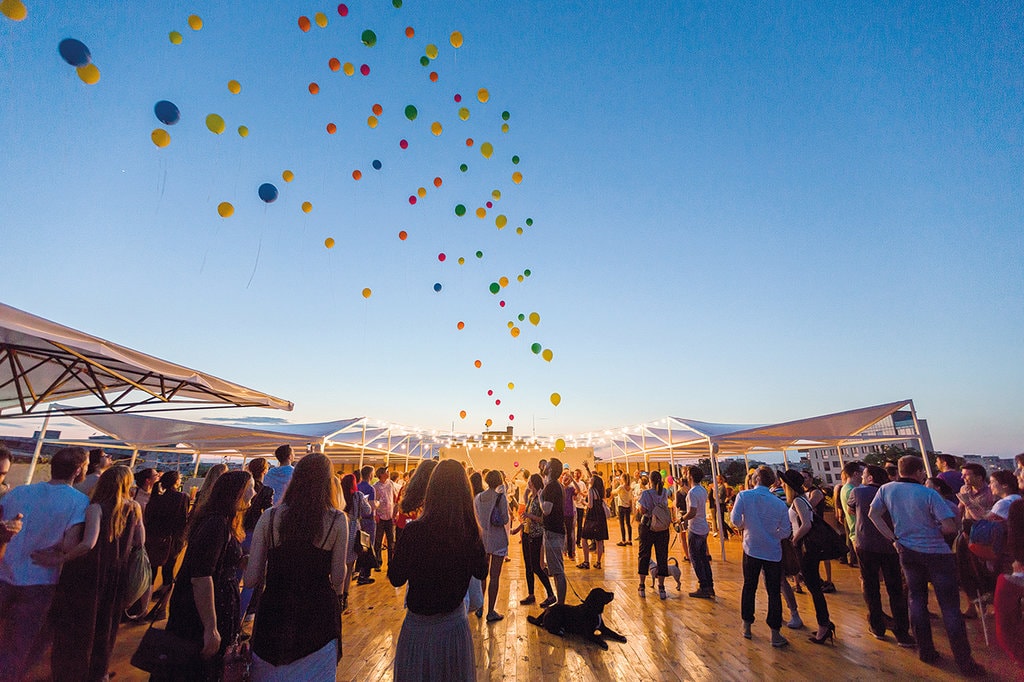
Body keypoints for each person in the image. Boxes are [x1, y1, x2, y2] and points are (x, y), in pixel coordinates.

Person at [869, 456, 985, 677]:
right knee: (950, 608)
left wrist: (893, 539)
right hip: (936, 553)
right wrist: (931, 530)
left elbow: (873, 514)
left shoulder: (886, 489)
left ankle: (926, 650)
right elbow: (950, 527)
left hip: (907, 551)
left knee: (916, 600)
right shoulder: (929, 494)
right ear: (920, 471)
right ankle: (964, 660)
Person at [245, 454, 348, 680]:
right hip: (318, 616)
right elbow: (339, 576)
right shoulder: (336, 520)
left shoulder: (270, 518)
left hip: (274, 616)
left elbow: (251, 579)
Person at [389, 459, 488, 681]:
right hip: (453, 627)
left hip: (418, 628)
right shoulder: (469, 533)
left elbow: (396, 577)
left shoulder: (415, 532)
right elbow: (482, 572)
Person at [0, 446, 91, 679]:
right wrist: (56, 553)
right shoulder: (79, 501)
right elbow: (71, 545)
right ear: (79, 470)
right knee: (17, 645)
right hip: (40, 580)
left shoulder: (19, 491)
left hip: (4, 571)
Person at [50, 465, 144, 681]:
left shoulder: (96, 508)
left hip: (90, 573)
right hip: (117, 574)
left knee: (83, 625)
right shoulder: (135, 507)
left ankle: (74, 671)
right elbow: (141, 541)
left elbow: (88, 544)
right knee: (107, 625)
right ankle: (99, 672)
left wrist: (59, 558)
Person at [165, 471, 255, 680]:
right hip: (201, 615)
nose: (254, 492)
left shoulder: (224, 522)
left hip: (217, 607)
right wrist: (210, 627)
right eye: (250, 487)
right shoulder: (216, 524)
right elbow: (201, 577)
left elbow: (218, 562)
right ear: (237, 492)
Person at [848, 465, 914, 646]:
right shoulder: (892, 491)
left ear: (870, 478)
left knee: (871, 586)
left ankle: (877, 626)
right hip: (890, 544)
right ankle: (902, 632)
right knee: (895, 589)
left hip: (866, 544)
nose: (862, 477)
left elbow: (851, 509)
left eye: (864, 475)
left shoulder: (858, 492)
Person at [730, 466, 792, 647]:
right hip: (772, 551)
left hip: (751, 548)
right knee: (774, 591)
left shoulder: (744, 496)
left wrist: (746, 526)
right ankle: (775, 632)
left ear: (755, 479)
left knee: (749, 586)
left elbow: (734, 520)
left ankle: (747, 625)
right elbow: (786, 531)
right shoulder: (779, 503)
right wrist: (772, 535)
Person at [779, 468, 834, 645]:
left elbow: (806, 524)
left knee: (813, 587)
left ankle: (824, 624)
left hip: (805, 547)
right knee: (812, 586)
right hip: (807, 546)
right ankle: (824, 622)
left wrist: (794, 540)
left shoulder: (798, 501)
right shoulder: (801, 499)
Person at [144, 470, 190, 617]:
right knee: (168, 574)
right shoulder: (182, 497)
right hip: (172, 540)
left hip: (154, 539)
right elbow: (183, 521)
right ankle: (163, 609)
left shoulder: (155, 498)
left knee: (151, 573)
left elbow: (149, 520)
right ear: (176, 482)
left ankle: (143, 607)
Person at [956, 462, 994, 619]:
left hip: (983, 534)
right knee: (963, 569)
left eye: (966, 474)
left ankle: (991, 604)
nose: (963, 477)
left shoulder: (990, 493)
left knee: (982, 570)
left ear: (978, 476)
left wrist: (969, 503)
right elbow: (960, 508)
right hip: (965, 532)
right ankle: (972, 604)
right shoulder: (965, 489)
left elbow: (985, 517)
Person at [474, 469, 509, 622]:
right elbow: (505, 519)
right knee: (495, 577)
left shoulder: (478, 498)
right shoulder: (500, 498)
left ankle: (480, 606)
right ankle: (491, 611)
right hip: (498, 540)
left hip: (483, 540)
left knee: (483, 575)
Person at [515, 473, 555, 608]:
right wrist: (518, 528)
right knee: (528, 566)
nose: (528, 484)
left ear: (534, 483)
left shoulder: (539, 498)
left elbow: (543, 520)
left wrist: (529, 515)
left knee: (536, 567)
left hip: (535, 535)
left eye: (530, 482)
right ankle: (531, 594)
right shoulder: (532, 498)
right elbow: (526, 517)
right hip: (527, 534)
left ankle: (550, 594)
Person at [637, 470, 672, 600]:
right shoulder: (664, 492)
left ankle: (642, 585)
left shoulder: (646, 493)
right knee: (662, 556)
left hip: (648, 526)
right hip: (662, 528)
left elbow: (643, 510)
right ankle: (661, 587)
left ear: (650, 480)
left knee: (644, 554)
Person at [680, 466, 714, 599]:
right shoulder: (702, 490)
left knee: (695, 559)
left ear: (691, 477)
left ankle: (703, 586)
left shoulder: (692, 493)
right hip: (703, 527)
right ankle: (709, 585)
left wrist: (682, 518)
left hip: (695, 528)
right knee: (703, 558)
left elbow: (692, 512)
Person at [339, 473, 371, 611]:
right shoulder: (358, 496)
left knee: (338, 561)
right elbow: (367, 511)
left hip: (340, 526)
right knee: (350, 564)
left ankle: (336, 593)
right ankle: (344, 595)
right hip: (353, 528)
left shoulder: (339, 495)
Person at [540, 457, 567, 604]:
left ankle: (561, 605)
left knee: (558, 571)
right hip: (555, 532)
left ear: (550, 469)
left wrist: (539, 497)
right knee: (556, 571)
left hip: (553, 533)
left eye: (547, 464)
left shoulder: (552, 487)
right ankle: (559, 603)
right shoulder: (555, 485)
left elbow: (547, 510)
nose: (545, 465)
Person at [578, 472, 608, 569]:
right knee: (600, 540)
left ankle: (586, 561)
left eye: (592, 478)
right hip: (600, 515)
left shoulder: (591, 490)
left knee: (584, 538)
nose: (590, 479)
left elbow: (590, 505)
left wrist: (583, 502)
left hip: (592, 516)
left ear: (594, 481)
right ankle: (598, 562)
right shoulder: (600, 491)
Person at [355, 465, 377, 585]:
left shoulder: (357, 487)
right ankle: (365, 574)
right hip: (368, 519)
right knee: (369, 546)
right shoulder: (370, 488)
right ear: (370, 475)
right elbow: (372, 506)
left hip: (359, 519)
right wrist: (377, 504)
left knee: (359, 545)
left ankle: (358, 571)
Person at [373, 466, 397, 571]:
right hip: (380, 516)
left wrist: (395, 512)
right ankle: (378, 562)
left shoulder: (390, 484)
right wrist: (375, 514)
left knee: (391, 540)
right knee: (378, 540)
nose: (388, 473)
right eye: (386, 472)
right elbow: (374, 501)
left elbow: (394, 497)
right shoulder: (376, 486)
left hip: (390, 515)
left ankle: (390, 562)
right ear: (382, 474)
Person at [613, 472, 633, 546]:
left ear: (623, 478)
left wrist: (614, 484)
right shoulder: (630, 488)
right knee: (628, 524)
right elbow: (630, 500)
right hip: (627, 507)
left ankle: (623, 540)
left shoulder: (621, 487)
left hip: (621, 507)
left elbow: (613, 492)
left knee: (622, 524)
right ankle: (630, 540)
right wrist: (631, 508)